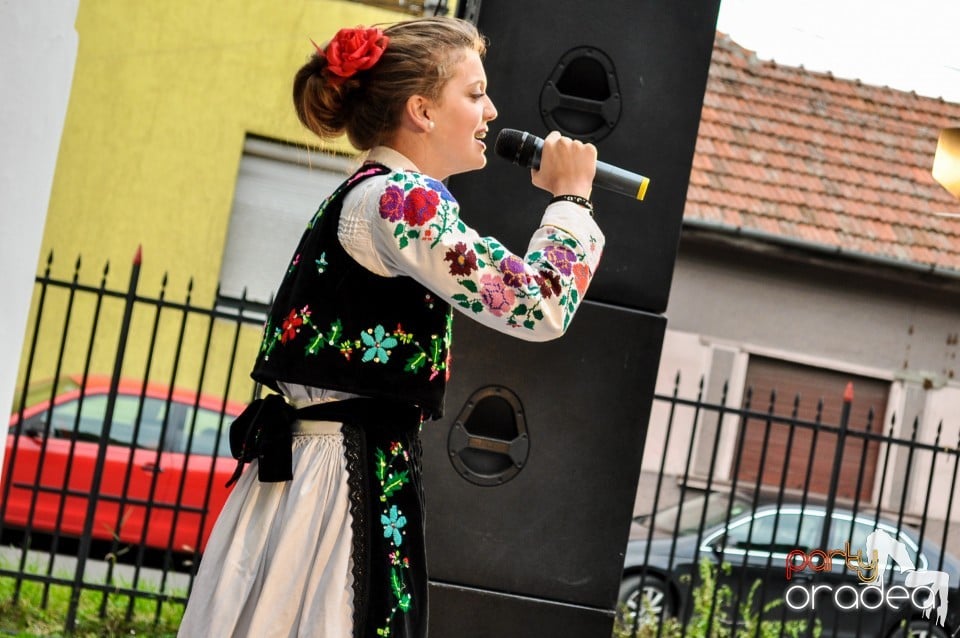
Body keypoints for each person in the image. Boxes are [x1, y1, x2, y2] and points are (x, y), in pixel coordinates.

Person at [178, 15, 604, 638]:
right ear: (422, 111)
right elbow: (538, 304)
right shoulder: (401, 200)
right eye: (474, 92)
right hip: (338, 484)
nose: (491, 111)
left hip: (318, 471)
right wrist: (572, 201)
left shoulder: (370, 193)